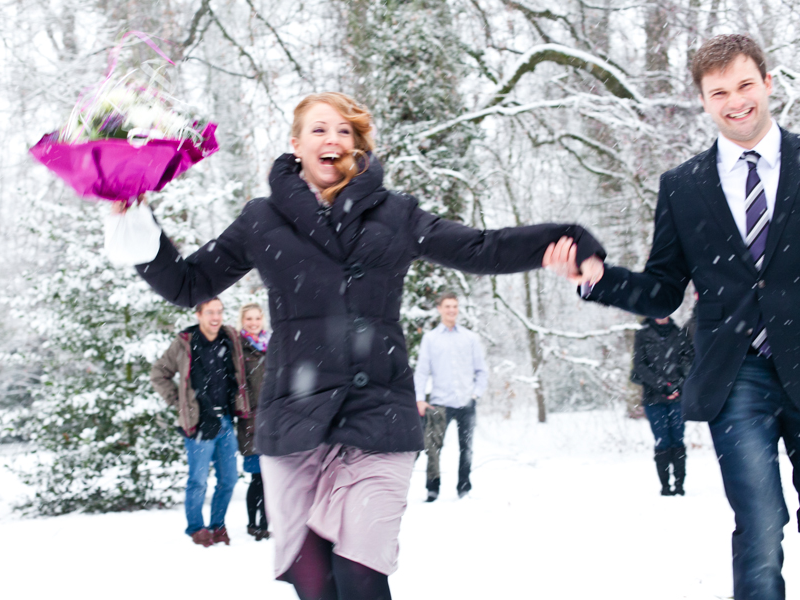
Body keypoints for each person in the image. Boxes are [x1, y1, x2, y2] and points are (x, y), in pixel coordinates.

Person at [107, 91, 604, 600]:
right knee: (314, 584)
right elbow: (189, 284)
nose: (333, 140)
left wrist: (564, 240)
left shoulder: (396, 215)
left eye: (345, 131)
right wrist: (135, 219)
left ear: (357, 146)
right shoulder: (261, 220)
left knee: (360, 575)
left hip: (377, 417)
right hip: (294, 422)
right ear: (296, 144)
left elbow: (479, 247)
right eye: (319, 129)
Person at [549, 35, 800, 600]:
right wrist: (598, 279)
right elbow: (663, 291)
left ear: (766, 82)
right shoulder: (683, 187)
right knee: (760, 527)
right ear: (704, 101)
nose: (735, 101)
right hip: (737, 375)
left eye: (744, 85)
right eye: (719, 92)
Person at [149, 298, 250, 547]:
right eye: (210, 313)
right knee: (198, 481)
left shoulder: (230, 337)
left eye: (219, 312)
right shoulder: (185, 342)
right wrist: (180, 403)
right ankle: (196, 528)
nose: (216, 317)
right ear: (199, 315)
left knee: (229, 480)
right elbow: (158, 373)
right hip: (197, 423)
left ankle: (218, 525)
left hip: (226, 419)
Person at [414, 292, 486, 501]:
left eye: (454, 306)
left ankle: (464, 488)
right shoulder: (430, 338)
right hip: (440, 403)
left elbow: (481, 370)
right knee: (433, 449)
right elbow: (422, 371)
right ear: (439, 309)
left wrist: (475, 394)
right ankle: (432, 488)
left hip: (466, 403)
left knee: (466, 449)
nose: (451, 310)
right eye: (447, 306)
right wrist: (420, 399)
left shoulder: (470, 338)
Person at [630, 316, 692, 496]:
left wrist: (677, 385)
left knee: (677, 439)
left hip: (678, 397)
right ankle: (665, 485)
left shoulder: (679, 332)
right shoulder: (642, 334)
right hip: (653, 397)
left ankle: (679, 483)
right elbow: (640, 365)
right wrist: (662, 386)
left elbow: (688, 360)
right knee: (662, 440)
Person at [237, 302, 270, 541]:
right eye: (248, 319)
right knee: (257, 476)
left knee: (272, 477)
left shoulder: (272, 346)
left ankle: (266, 523)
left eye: (256, 318)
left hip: (274, 421)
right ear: (242, 321)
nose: (253, 323)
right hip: (251, 422)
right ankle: (253, 523)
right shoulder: (239, 348)